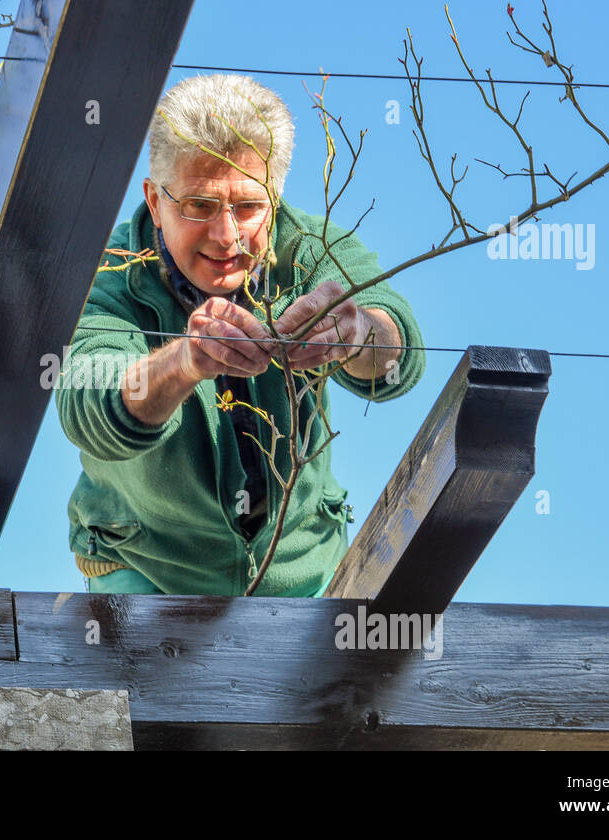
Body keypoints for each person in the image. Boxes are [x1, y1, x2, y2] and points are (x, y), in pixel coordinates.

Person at [56, 74, 425, 596]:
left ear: (275, 198)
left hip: (304, 571)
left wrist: (358, 333)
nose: (227, 236)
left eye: (249, 207)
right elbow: (88, 401)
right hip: (145, 567)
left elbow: (398, 347)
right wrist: (183, 362)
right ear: (155, 202)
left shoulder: (310, 248)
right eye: (200, 205)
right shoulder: (104, 273)